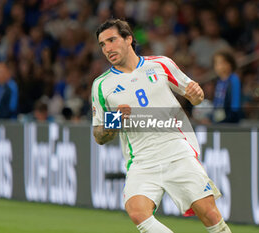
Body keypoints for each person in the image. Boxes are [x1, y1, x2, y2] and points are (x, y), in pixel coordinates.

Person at [91, 19, 231, 233]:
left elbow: (194, 95)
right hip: (141, 160)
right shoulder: (101, 85)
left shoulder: (160, 64)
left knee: (209, 213)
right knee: (137, 211)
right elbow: (99, 136)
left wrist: (198, 94)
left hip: (176, 150)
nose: (107, 48)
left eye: (112, 40)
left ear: (128, 39)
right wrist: (114, 119)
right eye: (102, 44)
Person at [212, 50, 242, 123]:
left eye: (220, 63)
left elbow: (235, 105)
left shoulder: (234, 80)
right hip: (218, 118)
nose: (217, 66)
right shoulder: (218, 81)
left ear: (229, 65)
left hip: (230, 120)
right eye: (216, 63)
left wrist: (226, 120)